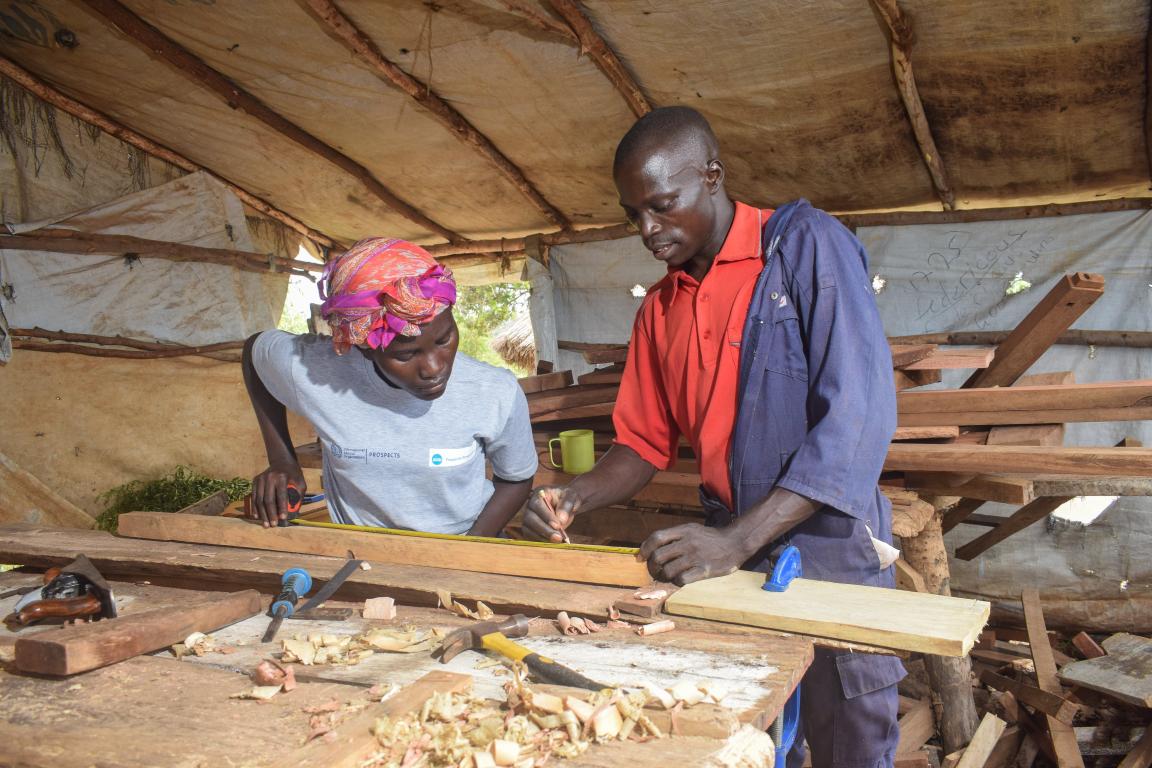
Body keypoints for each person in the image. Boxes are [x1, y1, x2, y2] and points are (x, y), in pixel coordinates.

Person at [523, 107, 905, 768]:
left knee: (850, 734)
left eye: (663, 206)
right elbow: (641, 445)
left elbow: (857, 425)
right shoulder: (661, 309)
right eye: (632, 213)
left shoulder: (805, 247)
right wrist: (575, 495)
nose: (647, 229)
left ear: (712, 176)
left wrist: (734, 541)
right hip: (737, 555)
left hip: (830, 545)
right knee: (750, 735)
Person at [242, 237, 537, 536]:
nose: (434, 368)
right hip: (361, 554)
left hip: (465, 544)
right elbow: (255, 351)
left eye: (444, 339)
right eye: (406, 354)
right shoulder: (316, 371)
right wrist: (282, 460)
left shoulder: (494, 392)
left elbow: (516, 479)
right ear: (366, 348)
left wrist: (468, 550)